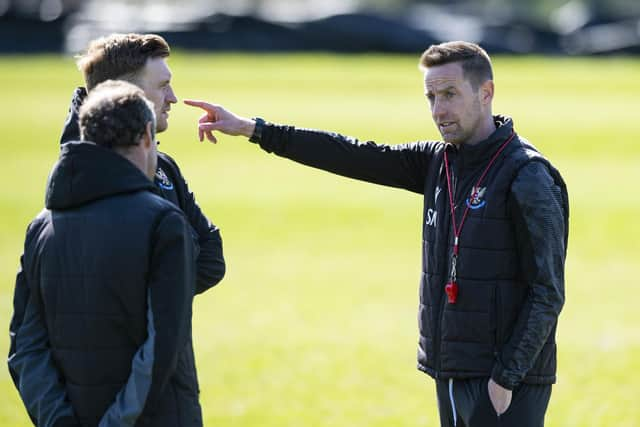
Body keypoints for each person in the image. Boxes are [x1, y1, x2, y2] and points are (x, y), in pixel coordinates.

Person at [183, 41, 569, 427]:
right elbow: (351, 154)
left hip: (504, 383)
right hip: (452, 372)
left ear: (486, 93)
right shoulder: (438, 162)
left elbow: (547, 292)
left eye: (450, 94)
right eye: (431, 97)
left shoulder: (528, 175)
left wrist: (505, 378)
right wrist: (254, 130)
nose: (439, 110)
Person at [8, 33, 224, 425]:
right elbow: (160, 345)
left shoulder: (43, 223)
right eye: (162, 86)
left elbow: (25, 346)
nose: (173, 97)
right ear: (125, 99)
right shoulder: (156, 219)